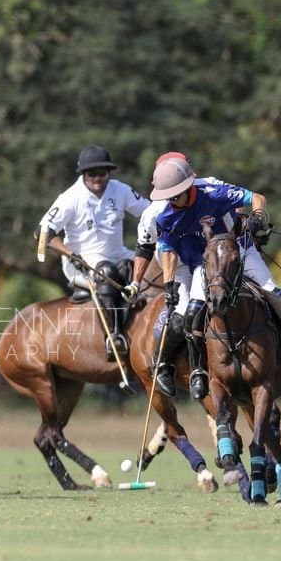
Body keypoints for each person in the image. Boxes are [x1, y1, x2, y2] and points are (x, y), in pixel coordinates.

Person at [148, 153, 281, 401]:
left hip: (240, 250)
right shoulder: (166, 215)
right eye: (167, 197)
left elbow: (256, 197)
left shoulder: (213, 192)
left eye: (174, 196)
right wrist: (169, 283)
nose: (171, 202)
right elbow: (167, 248)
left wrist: (256, 219)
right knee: (191, 313)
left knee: (278, 296)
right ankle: (198, 372)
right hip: (206, 263)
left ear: (188, 187)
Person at [39, 145, 150, 361]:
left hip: (119, 254)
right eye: (92, 174)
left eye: (103, 173)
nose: (98, 178)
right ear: (83, 174)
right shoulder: (70, 198)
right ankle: (114, 338)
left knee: (143, 269)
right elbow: (44, 234)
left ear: (109, 173)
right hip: (83, 262)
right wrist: (70, 253)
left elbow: (149, 212)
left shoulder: (120, 190)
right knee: (107, 272)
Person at [124, 151, 196, 396]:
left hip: (212, 261)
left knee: (264, 293)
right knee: (185, 311)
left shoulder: (206, 191)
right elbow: (144, 248)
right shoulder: (154, 213)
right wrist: (135, 282)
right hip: (178, 266)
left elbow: (233, 202)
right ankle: (161, 362)